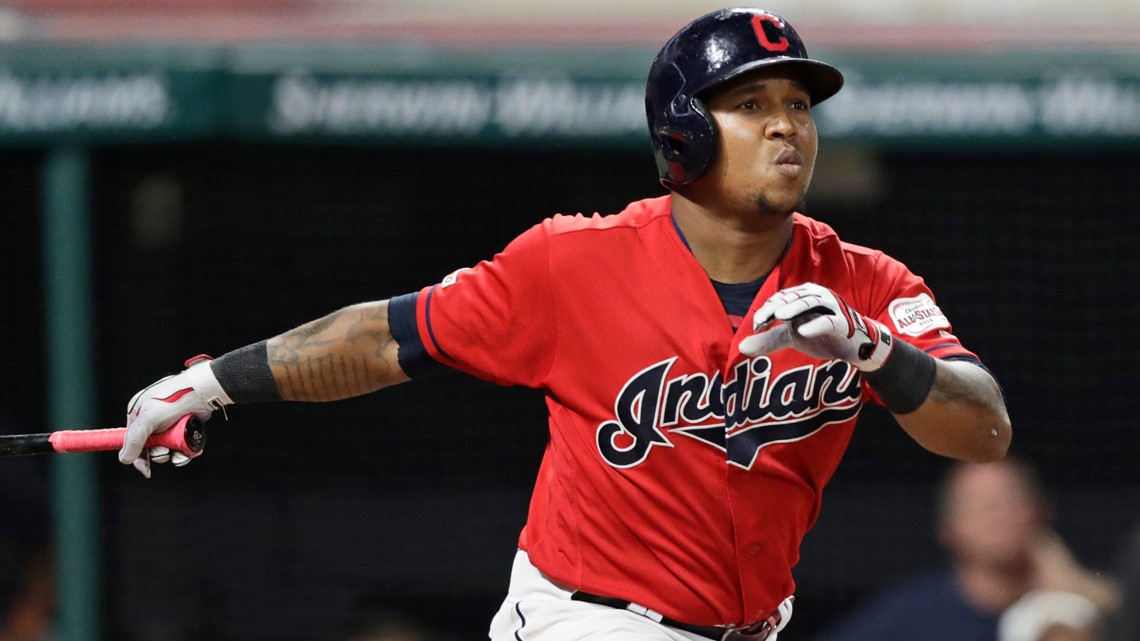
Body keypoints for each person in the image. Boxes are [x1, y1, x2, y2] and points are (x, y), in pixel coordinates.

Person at [118, 8, 1011, 641]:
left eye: (799, 106)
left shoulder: (863, 281)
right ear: (682, 131)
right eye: (751, 105)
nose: (787, 127)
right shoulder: (573, 263)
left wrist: (869, 346)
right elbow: (384, 338)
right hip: (591, 618)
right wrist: (210, 382)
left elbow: (984, 428)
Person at [815, 458, 1119, 641]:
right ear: (947, 528)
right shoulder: (910, 617)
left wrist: (1078, 585)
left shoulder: (1075, 607)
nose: (997, 514)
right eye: (979, 505)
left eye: (1010, 500)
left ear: (1040, 511)